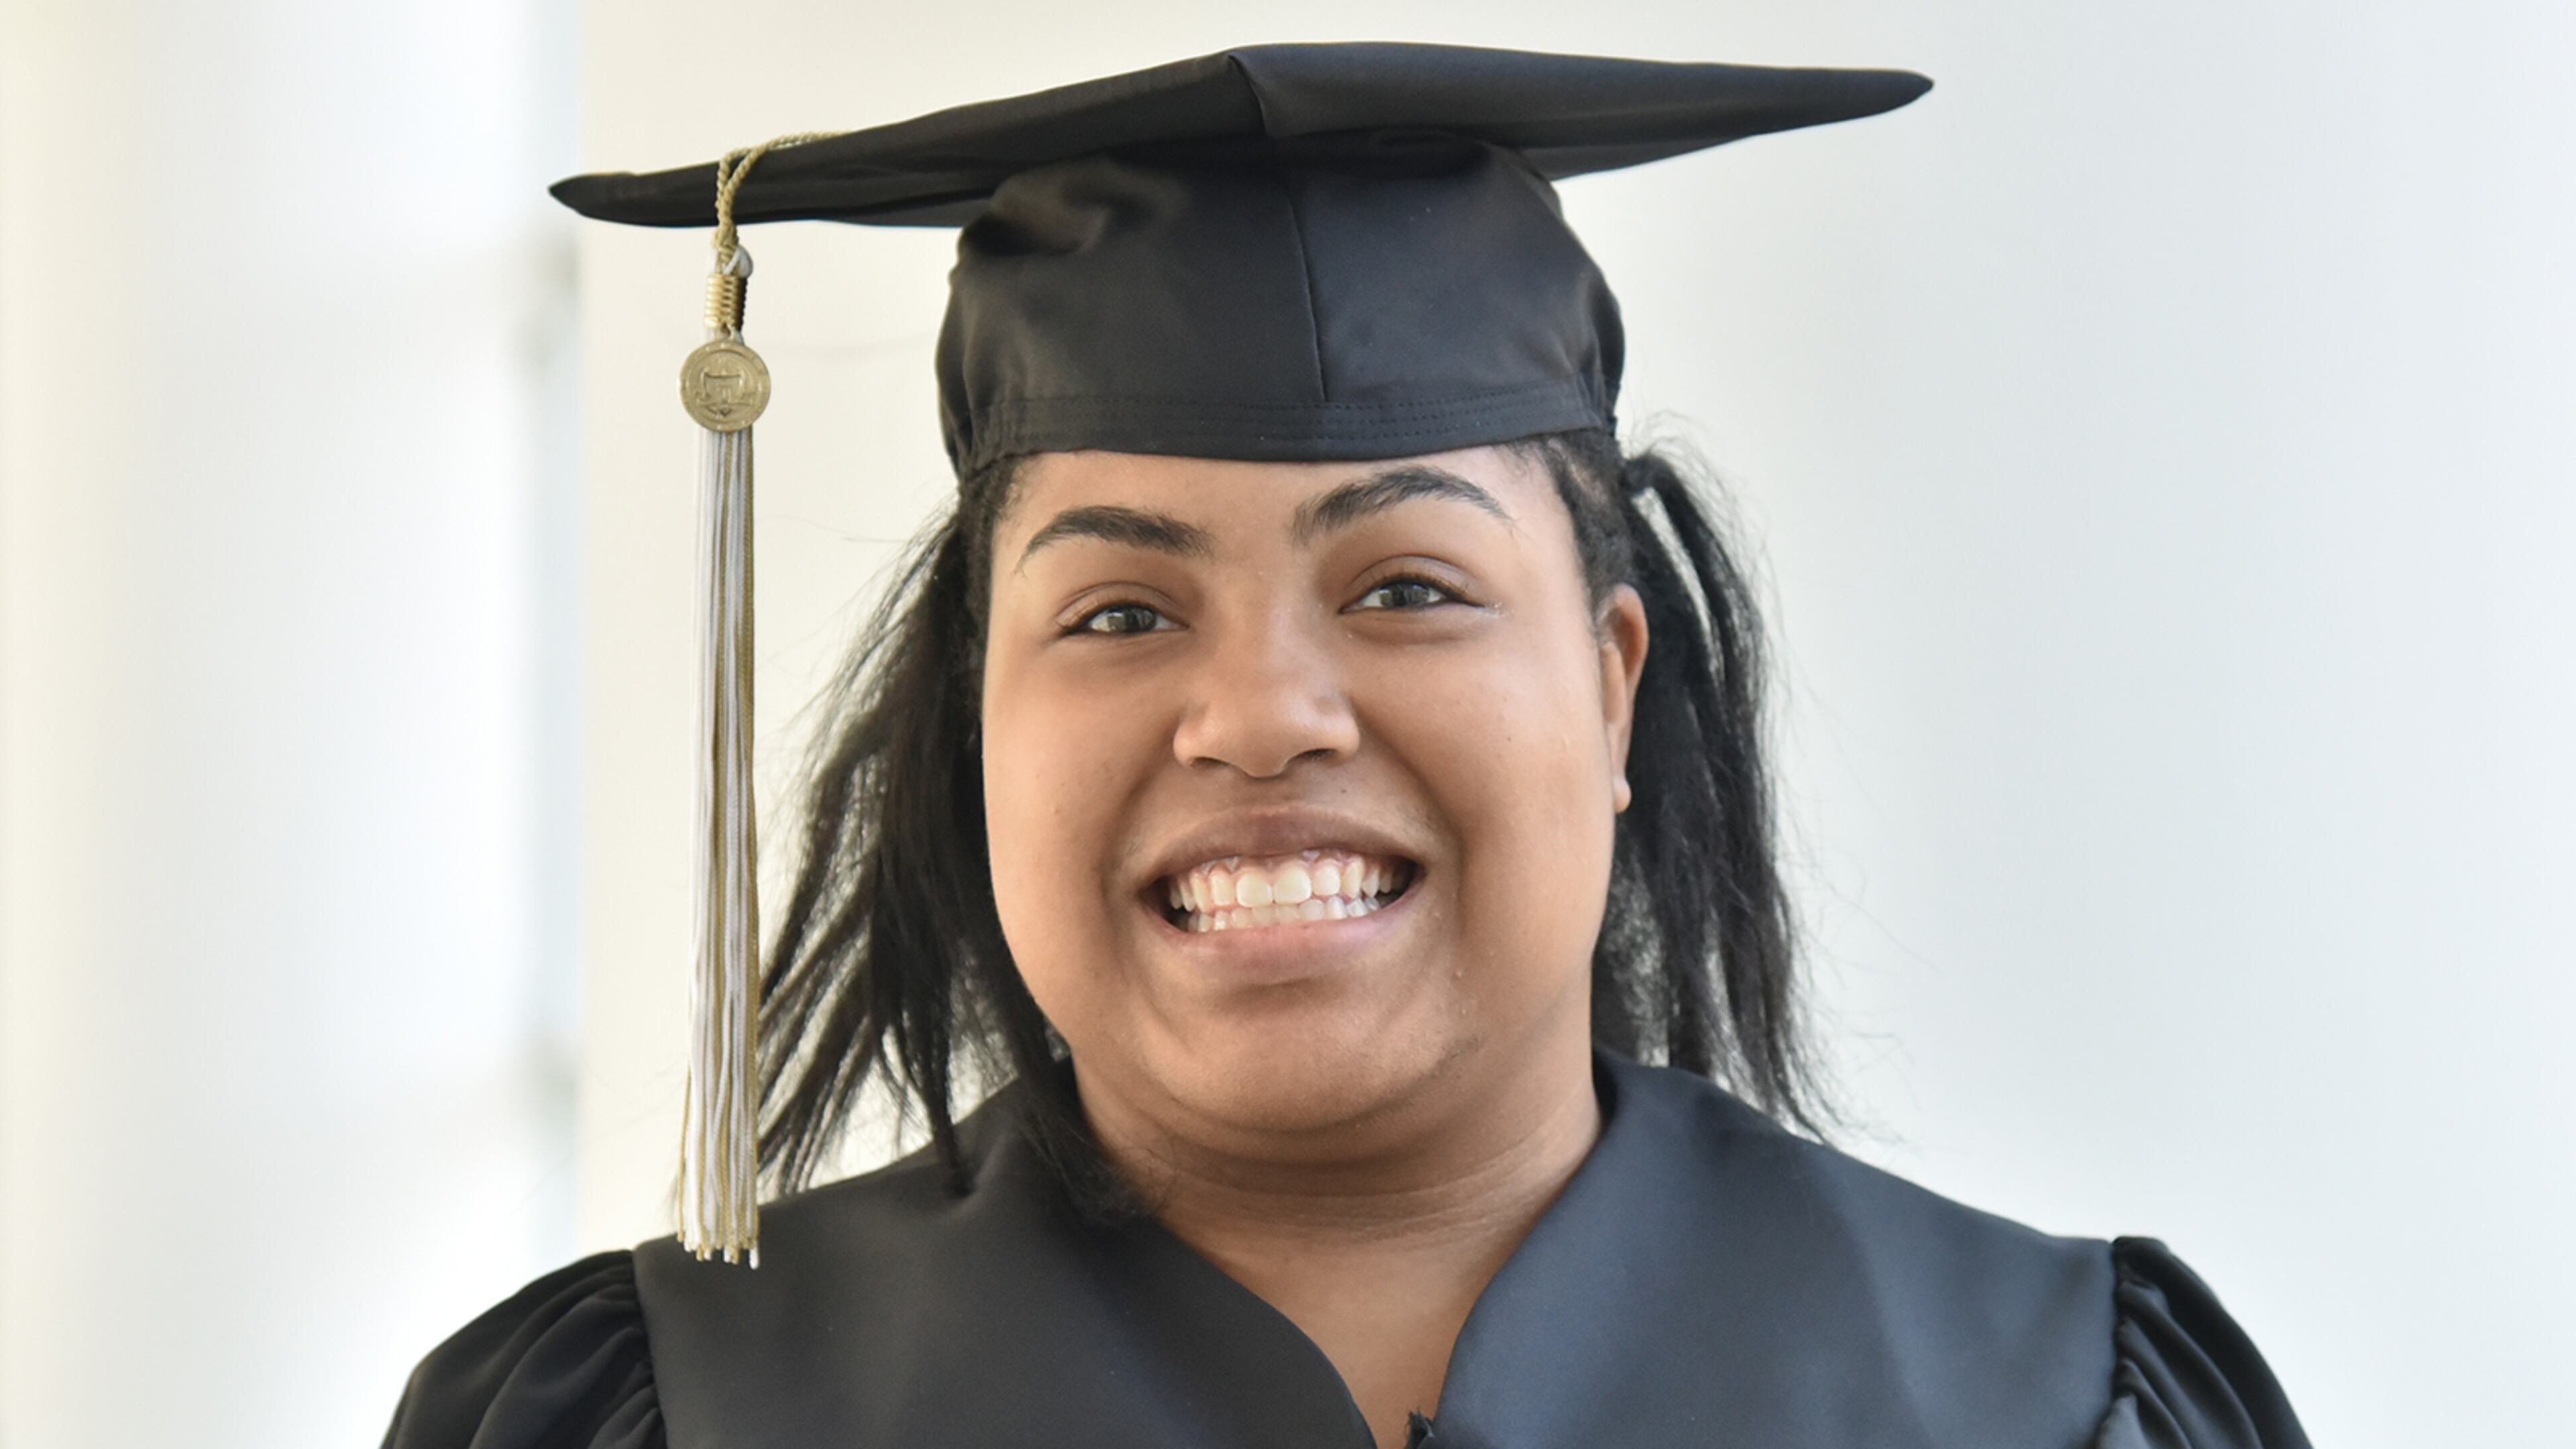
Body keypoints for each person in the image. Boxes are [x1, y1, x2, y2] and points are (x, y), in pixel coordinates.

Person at [382, 43, 2311, 1449]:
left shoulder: (2045, 1403)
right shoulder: (672, 1414)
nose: (1263, 717)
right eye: (1120, 615)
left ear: (1616, 683)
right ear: (978, 726)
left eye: (1407, 589)